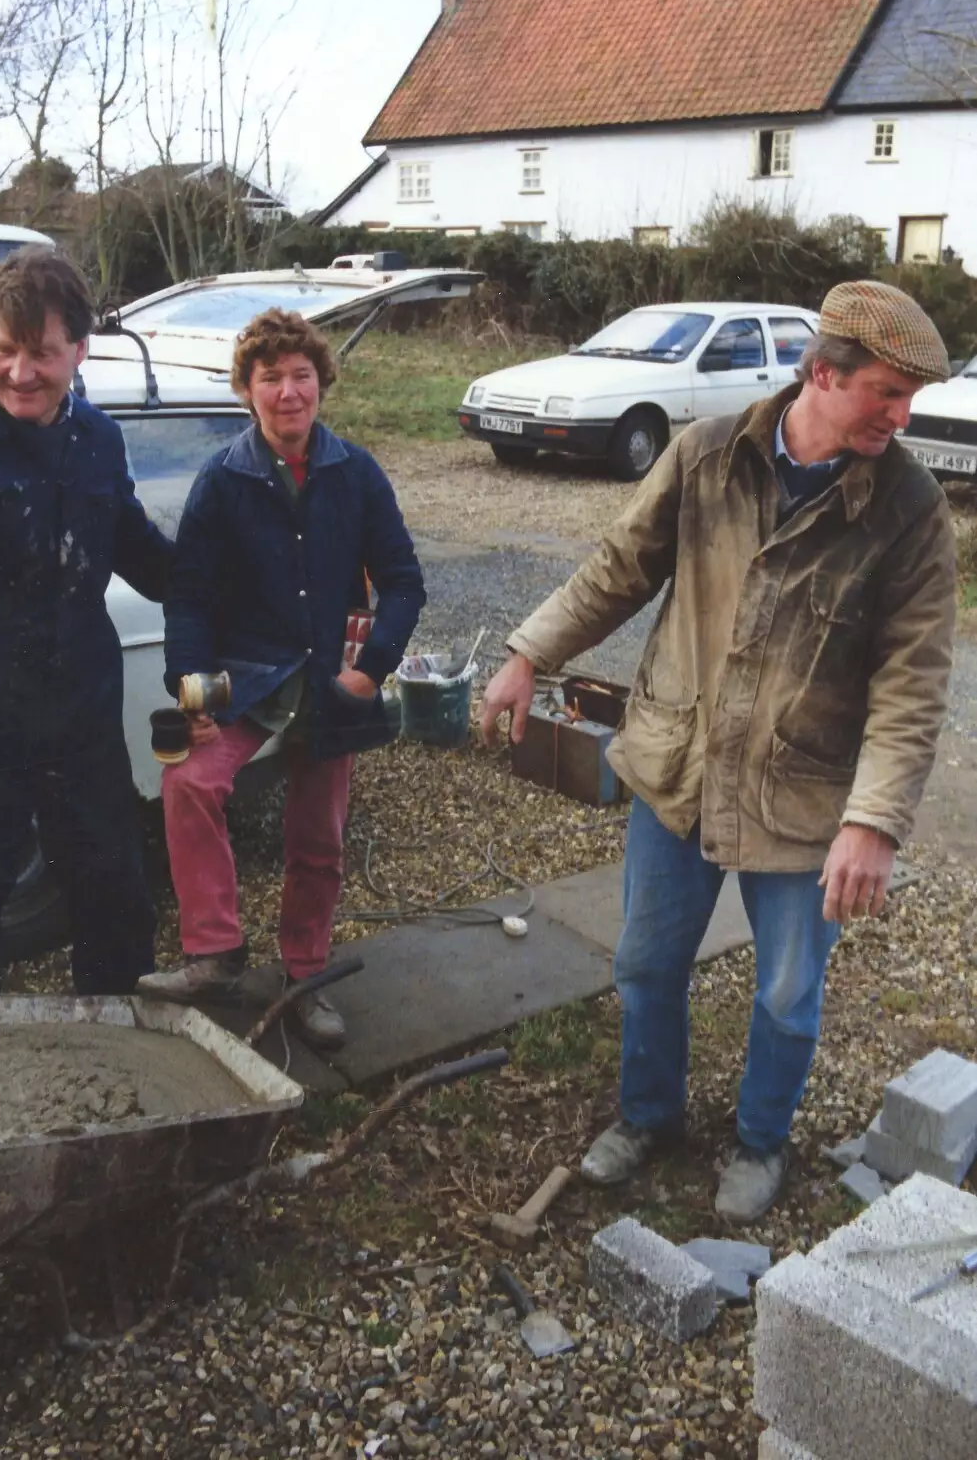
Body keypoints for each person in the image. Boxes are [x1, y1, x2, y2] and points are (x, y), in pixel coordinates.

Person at [481, 280, 955, 1222]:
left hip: (802, 796)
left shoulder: (908, 513)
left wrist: (872, 822)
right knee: (648, 964)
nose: (901, 419)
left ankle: (759, 1140)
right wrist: (526, 654)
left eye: (908, 399)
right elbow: (616, 571)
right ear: (823, 374)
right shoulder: (705, 458)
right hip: (676, 771)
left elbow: (913, 686)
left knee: (785, 993)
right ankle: (647, 1116)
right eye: (886, 394)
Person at [137, 308, 425, 1049]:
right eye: (271, 378)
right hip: (245, 675)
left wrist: (371, 669)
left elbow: (401, 581)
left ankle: (304, 974)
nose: (288, 391)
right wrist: (193, 692)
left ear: (320, 384)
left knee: (318, 837)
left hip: (331, 681)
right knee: (187, 781)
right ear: (246, 391)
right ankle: (215, 955)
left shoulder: (355, 473)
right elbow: (190, 595)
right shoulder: (222, 478)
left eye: (301, 376)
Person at [0, 249, 173, 995]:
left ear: (79, 349)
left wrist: (224, 584)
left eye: (41, 354)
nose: (20, 372)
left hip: (80, 716)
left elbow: (128, 537)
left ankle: (119, 1051)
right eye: (2, 352)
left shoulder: (98, 439)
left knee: (114, 897)